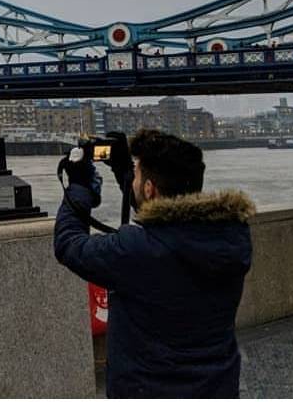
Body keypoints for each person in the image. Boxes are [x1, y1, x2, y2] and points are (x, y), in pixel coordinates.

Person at [54, 129, 254, 398]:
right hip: (215, 387)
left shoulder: (137, 251)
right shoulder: (231, 238)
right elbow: (168, 223)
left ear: (149, 189)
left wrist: (78, 187)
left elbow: (69, 244)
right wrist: (126, 172)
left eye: (136, 177)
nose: (133, 181)